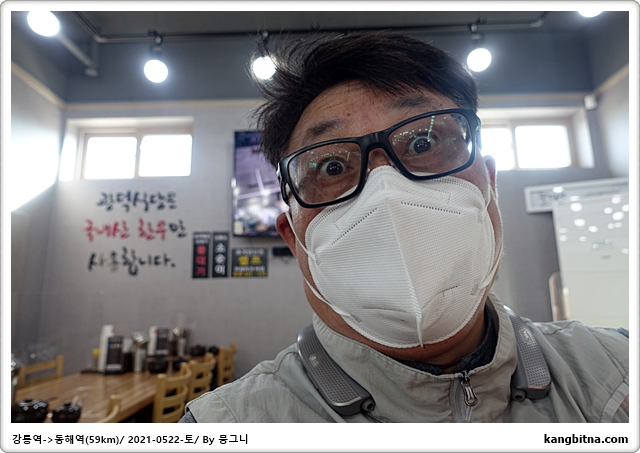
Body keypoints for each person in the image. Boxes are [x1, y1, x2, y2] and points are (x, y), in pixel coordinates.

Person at [181, 31, 629, 423]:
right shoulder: (225, 426)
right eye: (332, 165)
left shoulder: (619, 376)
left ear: (488, 186)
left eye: (423, 141)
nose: (386, 191)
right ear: (294, 239)